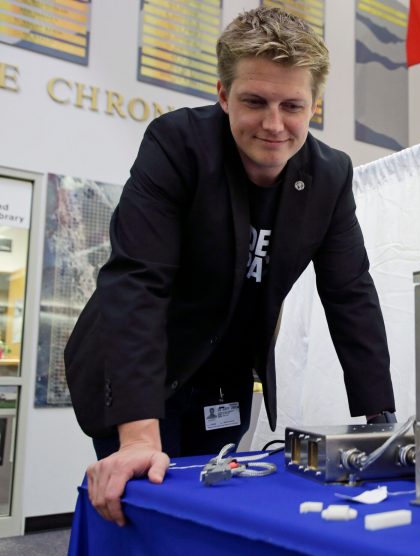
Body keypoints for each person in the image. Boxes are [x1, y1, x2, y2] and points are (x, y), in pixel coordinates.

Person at [64, 7, 395, 527]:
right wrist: (139, 436)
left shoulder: (330, 176)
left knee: (216, 513)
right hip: (139, 372)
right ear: (223, 95)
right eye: (254, 101)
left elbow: (350, 293)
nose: (273, 124)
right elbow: (137, 282)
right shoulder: (177, 144)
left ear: (315, 106)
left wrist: (384, 424)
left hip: (226, 383)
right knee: (150, 508)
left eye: (292, 105)